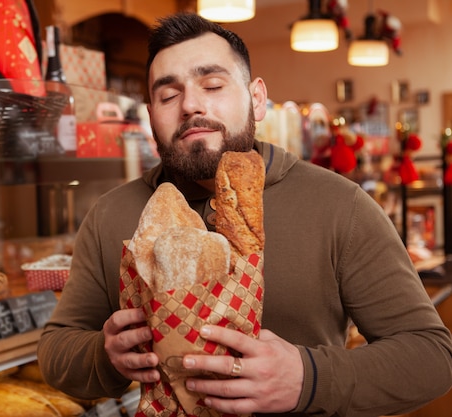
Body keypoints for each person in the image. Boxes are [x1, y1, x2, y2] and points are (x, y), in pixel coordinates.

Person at [38, 12, 452, 416]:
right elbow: (56, 351)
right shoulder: (110, 214)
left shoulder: (340, 206)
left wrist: (307, 379)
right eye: (168, 95)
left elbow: (432, 357)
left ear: (256, 99)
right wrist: (106, 356)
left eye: (213, 84)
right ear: (151, 116)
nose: (191, 105)